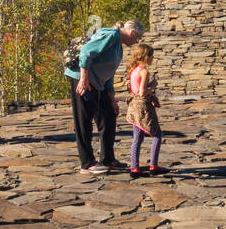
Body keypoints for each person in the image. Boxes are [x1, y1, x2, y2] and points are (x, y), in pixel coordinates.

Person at [65, 20, 144, 174]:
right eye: (138, 37)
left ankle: (107, 159)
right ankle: (86, 164)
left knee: (108, 115)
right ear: (132, 33)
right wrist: (83, 79)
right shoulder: (111, 35)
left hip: (97, 84)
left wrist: (112, 99)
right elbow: (87, 51)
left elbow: (109, 75)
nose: (137, 41)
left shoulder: (118, 47)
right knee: (84, 120)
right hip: (83, 80)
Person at [125, 43, 165, 179]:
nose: (153, 58)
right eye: (151, 56)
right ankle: (153, 165)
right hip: (143, 106)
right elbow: (142, 92)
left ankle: (134, 167)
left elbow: (134, 89)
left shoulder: (133, 70)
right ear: (146, 57)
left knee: (137, 137)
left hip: (133, 107)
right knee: (157, 134)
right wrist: (152, 86)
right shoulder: (144, 71)